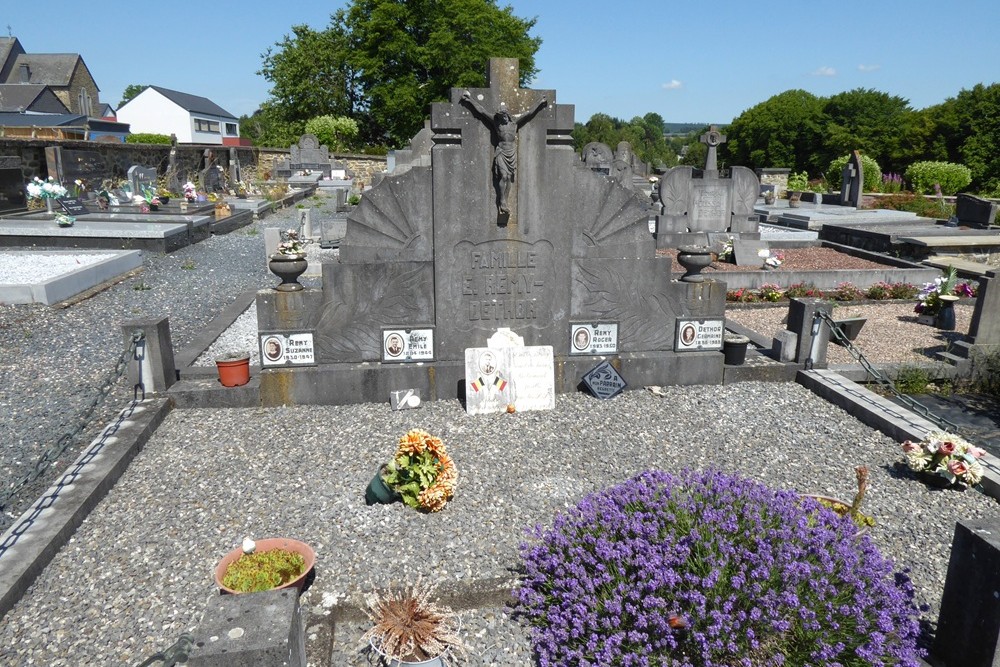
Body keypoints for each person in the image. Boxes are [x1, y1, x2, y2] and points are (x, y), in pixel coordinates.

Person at [461, 91, 547, 214]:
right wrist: (470, 100)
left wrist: (540, 102)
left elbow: (528, 113)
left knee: (509, 178)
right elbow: (481, 111)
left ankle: (505, 199)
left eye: (504, 116)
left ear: (508, 115)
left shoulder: (514, 122)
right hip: (501, 151)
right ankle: (502, 200)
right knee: (504, 176)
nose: (503, 118)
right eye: (501, 117)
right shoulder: (496, 123)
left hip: (511, 152)